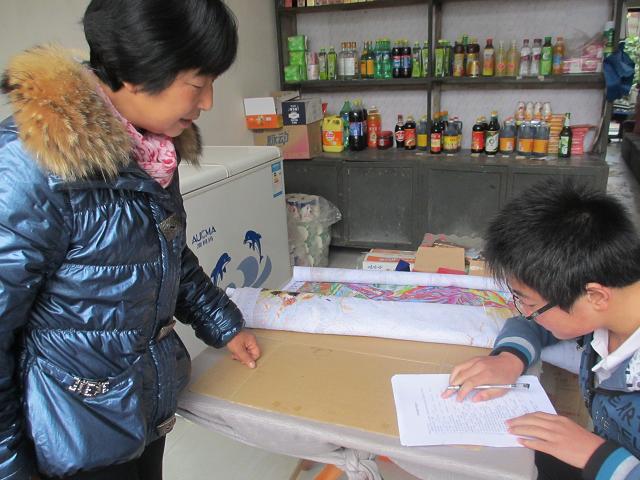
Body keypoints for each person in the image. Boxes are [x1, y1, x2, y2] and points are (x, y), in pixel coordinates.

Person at [0, 1, 260, 479]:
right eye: (197, 84)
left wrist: (224, 324)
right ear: (139, 72)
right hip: (72, 436)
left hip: (142, 408)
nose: (207, 102)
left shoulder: (152, 150)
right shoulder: (32, 165)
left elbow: (167, 258)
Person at [443, 181, 640, 479]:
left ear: (596, 297)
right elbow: (532, 324)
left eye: (530, 303)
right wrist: (509, 358)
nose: (525, 312)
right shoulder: (607, 307)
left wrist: (595, 454)